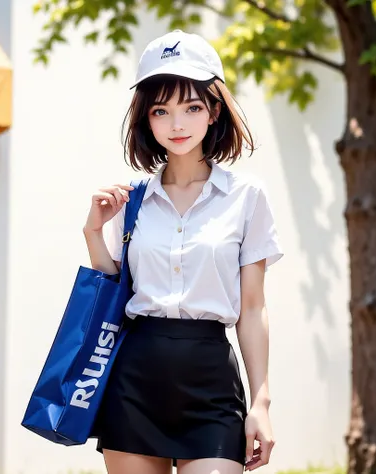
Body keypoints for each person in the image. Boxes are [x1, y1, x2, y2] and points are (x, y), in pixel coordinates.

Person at [84, 29, 283, 474]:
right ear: (147, 119)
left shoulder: (247, 197)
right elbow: (114, 296)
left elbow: (253, 308)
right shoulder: (129, 198)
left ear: (214, 110)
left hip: (210, 382)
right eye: (162, 110)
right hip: (134, 381)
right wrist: (94, 234)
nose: (177, 125)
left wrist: (261, 401)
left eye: (192, 107)